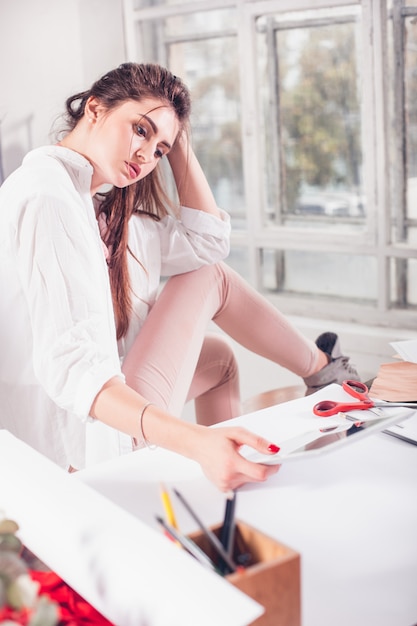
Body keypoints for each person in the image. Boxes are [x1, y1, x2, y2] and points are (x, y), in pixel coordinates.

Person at [0, 62, 359, 492]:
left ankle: (235, 480)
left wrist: (175, 132)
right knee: (210, 278)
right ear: (93, 108)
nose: (145, 157)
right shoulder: (47, 195)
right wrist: (195, 441)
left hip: (104, 421)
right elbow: (72, 369)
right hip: (91, 441)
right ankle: (324, 370)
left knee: (220, 361)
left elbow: (208, 240)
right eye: (139, 130)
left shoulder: (100, 208)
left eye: (159, 151)